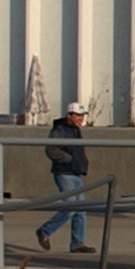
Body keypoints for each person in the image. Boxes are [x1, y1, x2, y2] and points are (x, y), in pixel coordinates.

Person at [36, 101, 94, 253]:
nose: (81, 118)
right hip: (64, 173)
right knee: (71, 207)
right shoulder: (59, 130)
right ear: (69, 115)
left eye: (82, 115)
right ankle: (45, 231)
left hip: (75, 173)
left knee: (80, 210)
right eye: (78, 115)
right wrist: (69, 159)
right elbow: (51, 150)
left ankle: (77, 243)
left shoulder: (75, 130)